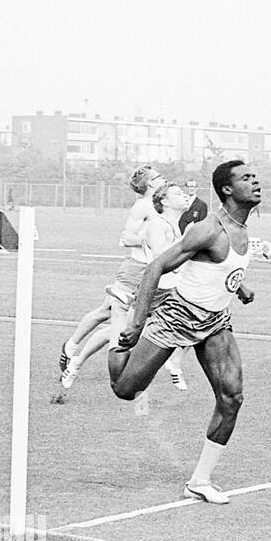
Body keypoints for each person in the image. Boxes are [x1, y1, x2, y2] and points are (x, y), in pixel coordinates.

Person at [108, 160, 260, 505]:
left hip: (215, 321)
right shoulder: (209, 229)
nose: (256, 183)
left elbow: (218, 267)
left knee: (232, 397)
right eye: (246, 179)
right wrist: (135, 322)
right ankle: (116, 328)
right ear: (226, 189)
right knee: (125, 389)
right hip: (177, 317)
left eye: (256, 177)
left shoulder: (243, 228)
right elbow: (157, 266)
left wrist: (239, 288)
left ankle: (199, 481)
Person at [59, 165, 164, 390]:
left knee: (119, 322)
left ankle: (74, 356)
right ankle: (71, 347)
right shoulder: (142, 206)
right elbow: (127, 238)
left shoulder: (160, 205)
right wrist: (150, 238)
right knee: (109, 315)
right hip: (136, 270)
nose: (163, 178)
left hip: (153, 272)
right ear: (151, 184)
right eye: (158, 177)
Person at [145, 182, 196, 391]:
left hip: (173, 289)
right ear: (164, 201)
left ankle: (174, 363)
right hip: (156, 290)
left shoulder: (176, 225)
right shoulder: (158, 223)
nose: (184, 196)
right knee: (123, 332)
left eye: (184, 193)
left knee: (198, 322)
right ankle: (76, 357)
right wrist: (186, 240)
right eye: (177, 193)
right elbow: (159, 256)